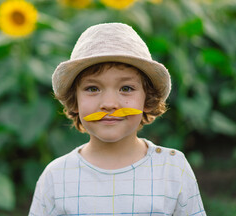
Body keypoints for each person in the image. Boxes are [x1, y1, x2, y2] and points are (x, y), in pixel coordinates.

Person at [29, 23, 206, 215]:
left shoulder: (172, 168)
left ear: (147, 99)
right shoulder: (56, 177)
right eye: (93, 89)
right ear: (75, 101)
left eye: (126, 88)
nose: (109, 104)